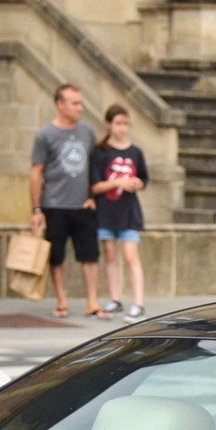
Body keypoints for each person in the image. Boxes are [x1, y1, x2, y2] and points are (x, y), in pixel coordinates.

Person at [28, 84, 98, 321]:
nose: (81, 107)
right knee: (57, 256)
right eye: (75, 103)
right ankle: (62, 301)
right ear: (60, 105)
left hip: (82, 205)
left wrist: (93, 196)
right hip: (55, 204)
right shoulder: (45, 135)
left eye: (81, 102)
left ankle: (92, 302)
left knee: (90, 254)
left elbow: (94, 166)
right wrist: (36, 209)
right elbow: (36, 171)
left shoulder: (87, 132)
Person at [90, 104, 150, 320]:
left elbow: (144, 179)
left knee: (130, 255)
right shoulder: (100, 152)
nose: (122, 128)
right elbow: (95, 186)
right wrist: (119, 182)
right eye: (118, 123)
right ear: (108, 125)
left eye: (126, 123)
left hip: (129, 212)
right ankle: (115, 299)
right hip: (107, 211)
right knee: (110, 254)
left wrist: (136, 184)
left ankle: (139, 302)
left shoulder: (136, 152)